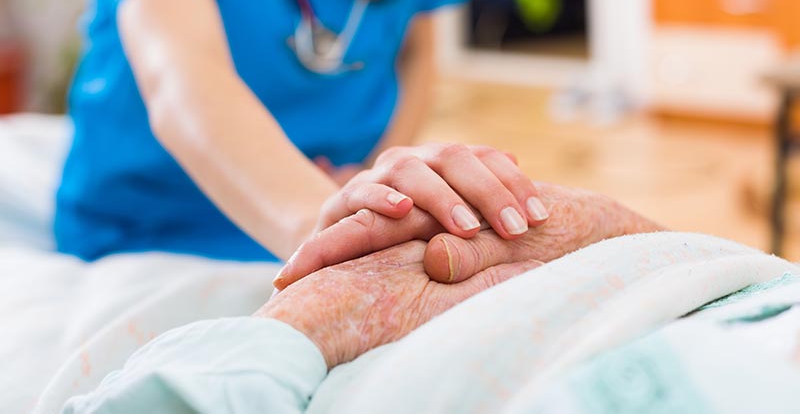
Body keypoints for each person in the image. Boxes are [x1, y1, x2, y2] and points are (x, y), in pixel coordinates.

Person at [57, 0, 551, 263]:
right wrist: (327, 228)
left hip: (344, 199)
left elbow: (416, 54)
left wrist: (377, 177)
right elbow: (182, 78)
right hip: (160, 227)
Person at [58, 183, 800, 413]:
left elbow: (414, 48)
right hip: (163, 195)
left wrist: (328, 285)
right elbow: (179, 80)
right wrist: (642, 246)